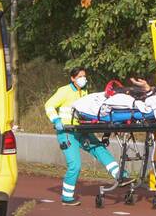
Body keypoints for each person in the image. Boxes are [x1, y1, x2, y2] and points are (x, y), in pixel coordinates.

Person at [44, 67, 128, 205]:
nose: (83, 79)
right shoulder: (64, 91)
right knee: (75, 165)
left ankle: (121, 175)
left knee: (100, 150)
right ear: (73, 78)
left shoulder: (84, 92)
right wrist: (56, 120)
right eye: (80, 76)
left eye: (84, 76)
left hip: (82, 130)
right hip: (67, 133)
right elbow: (49, 105)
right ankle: (67, 197)